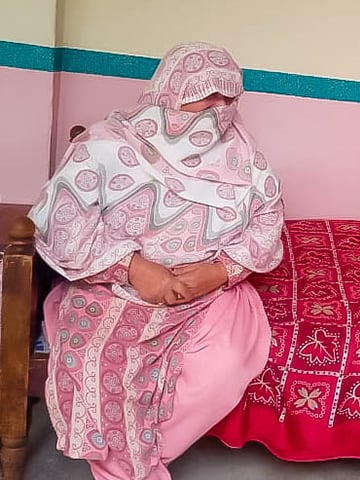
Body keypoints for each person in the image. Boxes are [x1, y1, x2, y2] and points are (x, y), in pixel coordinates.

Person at [28, 42, 284, 480]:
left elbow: (266, 223)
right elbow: (63, 221)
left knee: (223, 362)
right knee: (94, 360)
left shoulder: (244, 156)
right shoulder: (107, 144)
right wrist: (133, 267)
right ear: (170, 89)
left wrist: (219, 272)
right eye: (205, 93)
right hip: (113, 285)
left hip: (205, 290)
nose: (217, 108)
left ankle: (138, 453)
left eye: (228, 97)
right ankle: (126, 465)